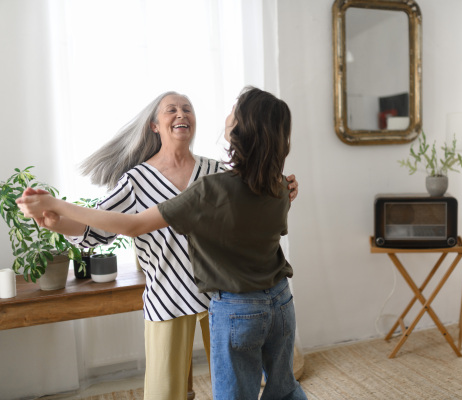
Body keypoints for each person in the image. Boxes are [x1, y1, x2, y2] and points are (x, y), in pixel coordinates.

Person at [23, 90, 299, 400]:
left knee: (235, 385)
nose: (181, 114)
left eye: (187, 109)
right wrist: (57, 220)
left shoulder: (216, 173)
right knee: (166, 392)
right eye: (172, 110)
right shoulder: (136, 180)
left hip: (223, 297)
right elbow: (102, 227)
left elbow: (251, 207)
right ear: (155, 125)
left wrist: (283, 187)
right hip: (169, 293)